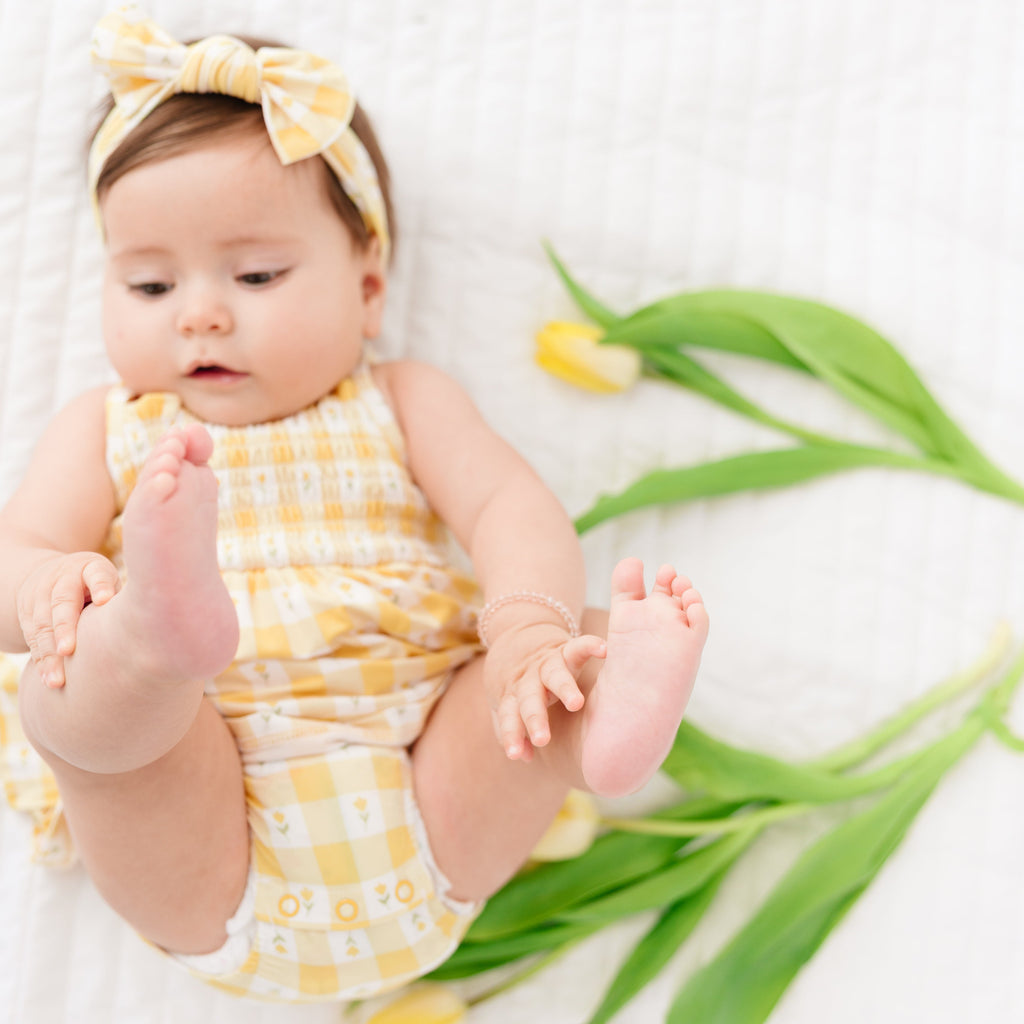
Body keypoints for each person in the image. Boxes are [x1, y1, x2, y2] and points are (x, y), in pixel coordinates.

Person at [0, 9, 708, 1004]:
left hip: (424, 790)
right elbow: (15, 551)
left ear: (369, 289)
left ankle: (607, 726)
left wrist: (522, 633)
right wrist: (49, 583)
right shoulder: (109, 427)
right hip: (213, 839)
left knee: (556, 669)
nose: (200, 309)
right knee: (80, 702)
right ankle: (151, 639)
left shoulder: (404, 399)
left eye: (255, 273)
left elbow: (511, 505)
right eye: (150, 281)